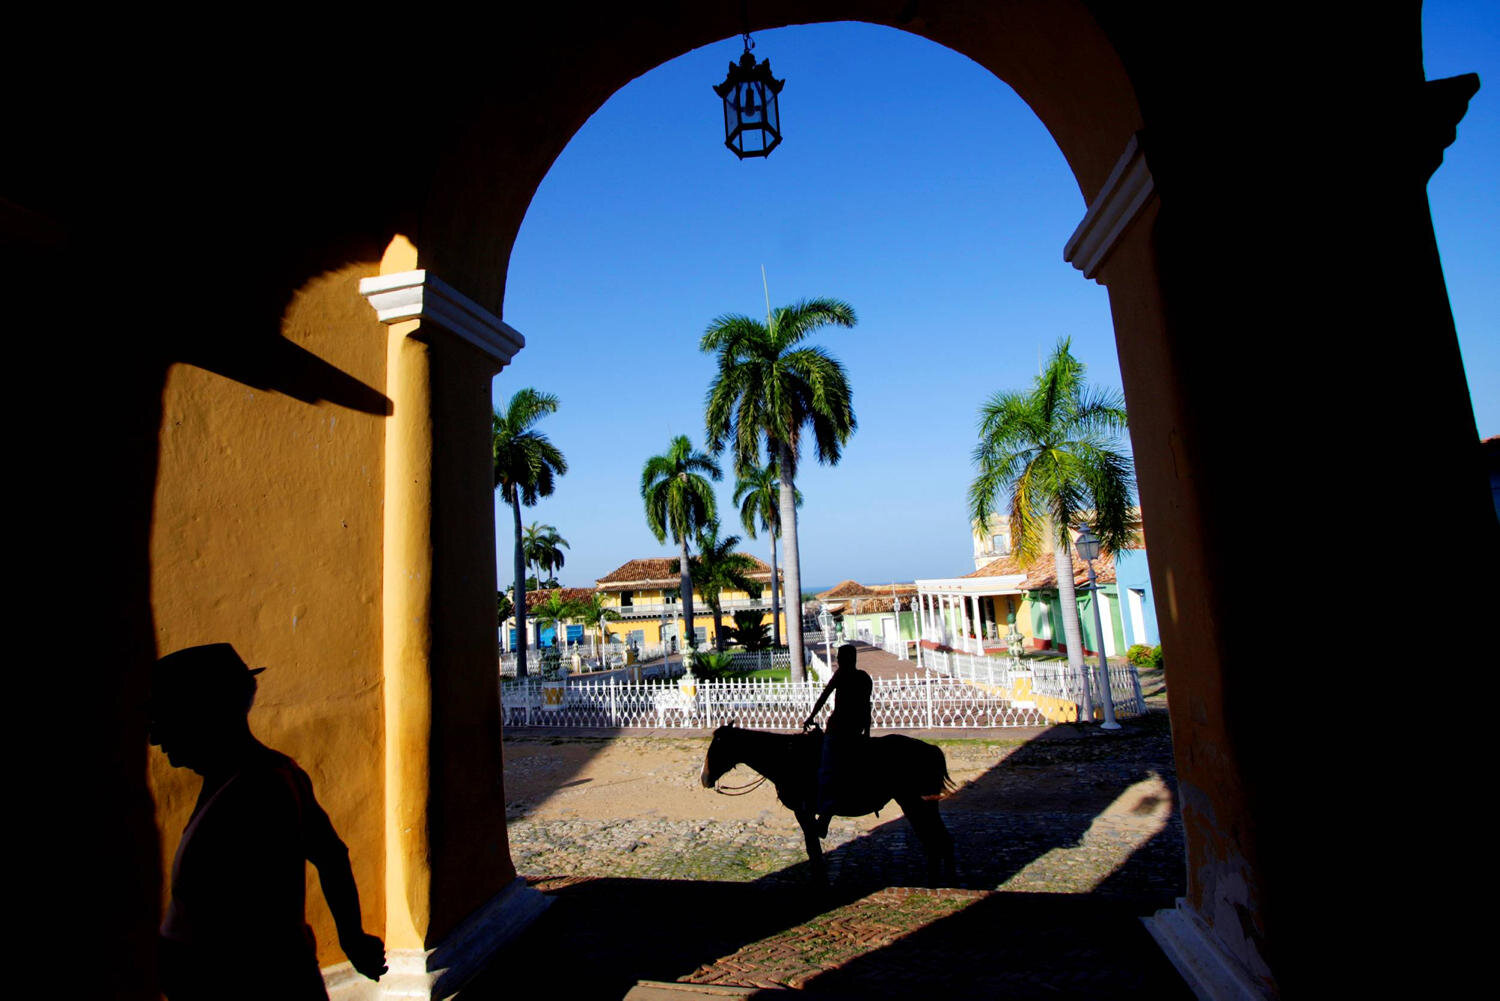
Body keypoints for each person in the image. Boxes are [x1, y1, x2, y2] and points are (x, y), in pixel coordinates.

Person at [148, 644, 387, 1000]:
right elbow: (332, 855)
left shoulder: (255, 793)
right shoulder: (268, 776)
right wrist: (352, 938)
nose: (155, 737)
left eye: (165, 718)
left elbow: (242, 934)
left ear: (204, 715)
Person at [802, 643, 873, 838]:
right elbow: (867, 707)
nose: (838, 661)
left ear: (845, 659)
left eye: (840, 657)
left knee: (827, 771)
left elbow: (823, 697)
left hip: (838, 730)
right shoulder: (864, 677)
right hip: (856, 729)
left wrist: (810, 717)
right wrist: (866, 732)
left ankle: (824, 817)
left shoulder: (842, 675)